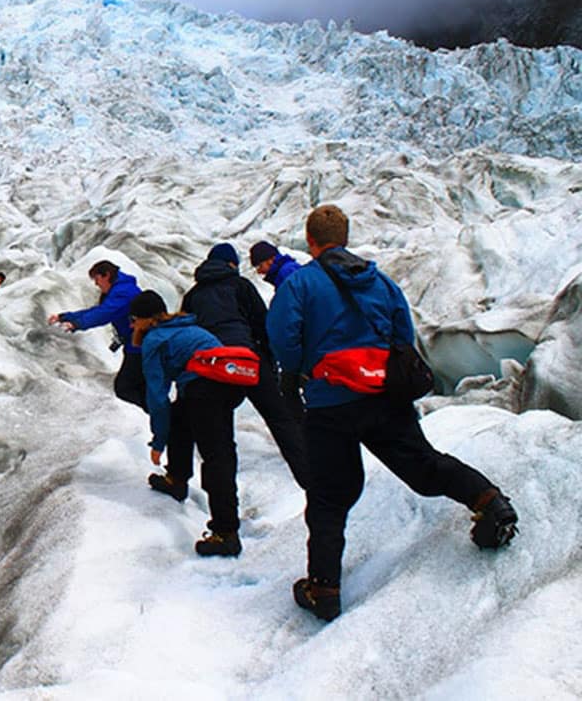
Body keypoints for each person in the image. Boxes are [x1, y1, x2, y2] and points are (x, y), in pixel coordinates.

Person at [267, 204, 518, 622]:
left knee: (330, 496)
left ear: (310, 240)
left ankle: (324, 589)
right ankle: (488, 499)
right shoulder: (379, 281)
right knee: (423, 466)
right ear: (344, 238)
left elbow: (282, 338)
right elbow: (403, 335)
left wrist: (300, 371)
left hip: (331, 403)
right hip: (384, 395)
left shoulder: (300, 284)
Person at [179, 243, 308, 488]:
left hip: (212, 367)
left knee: (219, 448)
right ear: (231, 265)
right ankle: (315, 484)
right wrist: (270, 367)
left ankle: (224, 525)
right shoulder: (240, 286)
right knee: (282, 422)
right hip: (246, 359)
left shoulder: (192, 296)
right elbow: (263, 325)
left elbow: (186, 336)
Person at [129, 290, 247, 558]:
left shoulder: (155, 340)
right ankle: (176, 479)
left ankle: (225, 533)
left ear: (144, 320)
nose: (132, 326)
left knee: (217, 457)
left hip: (205, 392)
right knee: (181, 418)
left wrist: (158, 442)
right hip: (225, 386)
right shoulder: (188, 327)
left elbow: (157, 397)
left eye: (133, 320)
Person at [48, 260, 144, 410]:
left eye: (97, 279)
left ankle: (155, 421)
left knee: (125, 388)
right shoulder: (121, 289)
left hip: (140, 347)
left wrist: (76, 325)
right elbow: (97, 310)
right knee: (136, 387)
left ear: (106, 275)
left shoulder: (123, 293)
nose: (96, 284)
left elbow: (103, 314)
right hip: (136, 345)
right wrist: (65, 316)